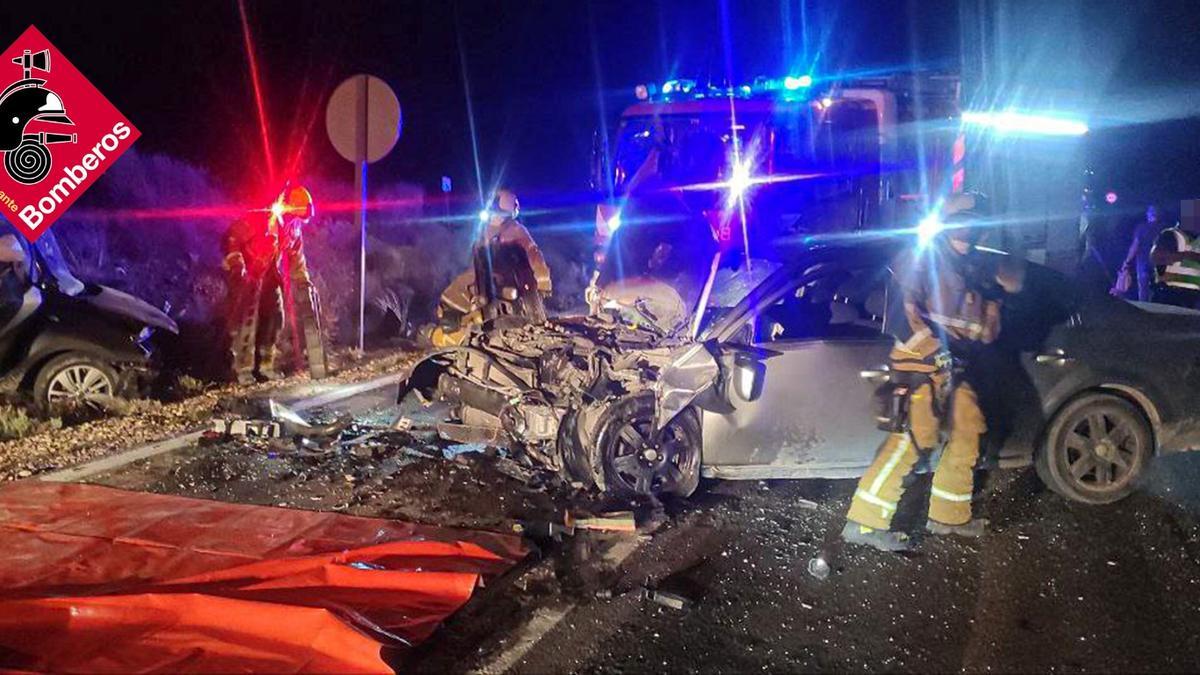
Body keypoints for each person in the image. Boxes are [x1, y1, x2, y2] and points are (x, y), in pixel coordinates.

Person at [842, 193, 1025, 552]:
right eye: (964, 220)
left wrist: (1000, 297)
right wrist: (936, 354)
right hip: (919, 368)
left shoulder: (973, 269)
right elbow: (899, 317)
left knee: (968, 429)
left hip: (955, 370)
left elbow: (983, 331)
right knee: (912, 440)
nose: (970, 229)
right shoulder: (920, 259)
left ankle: (948, 516)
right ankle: (863, 524)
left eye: (977, 222)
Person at [222, 184, 323, 384]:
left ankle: (265, 367)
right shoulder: (261, 218)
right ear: (289, 208)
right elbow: (232, 238)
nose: (297, 222)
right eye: (296, 216)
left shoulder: (292, 228)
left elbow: (296, 259)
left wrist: (303, 281)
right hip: (246, 275)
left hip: (269, 275)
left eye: (300, 219)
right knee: (245, 321)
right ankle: (240, 370)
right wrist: (237, 265)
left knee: (275, 319)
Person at [432, 189, 551, 346]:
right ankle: (447, 331)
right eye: (493, 211)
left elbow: (535, 259)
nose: (495, 216)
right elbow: (476, 267)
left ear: (509, 213)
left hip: (511, 291)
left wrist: (543, 287)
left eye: (499, 212)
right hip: (487, 289)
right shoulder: (483, 232)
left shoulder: (517, 232)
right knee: (458, 306)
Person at [1145, 201, 1200, 309]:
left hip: (1193, 299)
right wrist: (1188, 255)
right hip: (1169, 296)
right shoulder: (1170, 235)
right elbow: (1155, 258)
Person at [1113, 204, 1166, 302]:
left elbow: (1135, 246)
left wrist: (1127, 261)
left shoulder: (1142, 227)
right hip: (1157, 260)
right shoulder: (1162, 228)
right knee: (1157, 286)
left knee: (1143, 286)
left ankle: (1145, 306)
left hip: (1145, 260)